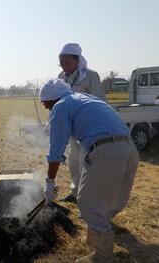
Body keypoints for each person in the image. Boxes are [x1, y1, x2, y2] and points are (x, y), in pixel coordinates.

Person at [40, 79, 139, 262]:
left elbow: (55, 151)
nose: (45, 107)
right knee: (108, 200)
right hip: (129, 148)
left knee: (87, 201)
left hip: (106, 151)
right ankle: (94, 241)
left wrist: (50, 183)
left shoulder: (61, 106)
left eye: (45, 102)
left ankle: (102, 256)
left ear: (52, 98)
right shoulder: (83, 99)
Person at [57, 43, 106, 203]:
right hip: (72, 128)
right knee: (74, 163)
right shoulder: (61, 77)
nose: (64, 66)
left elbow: (100, 103)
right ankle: (75, 193)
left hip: (89, 130)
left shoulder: (91, 76)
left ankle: (89, 200)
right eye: (61, 63)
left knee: (89, 165)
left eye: (67, 62)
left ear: (77, 60)